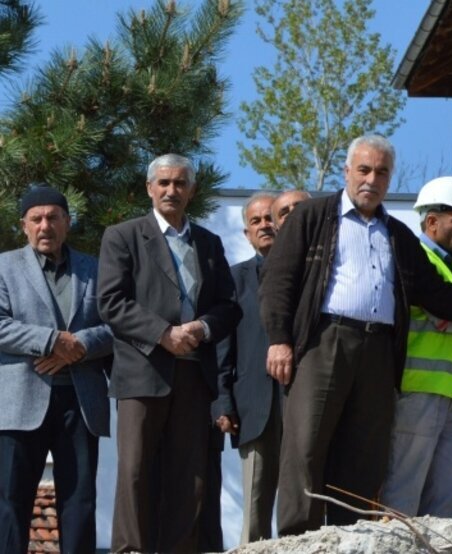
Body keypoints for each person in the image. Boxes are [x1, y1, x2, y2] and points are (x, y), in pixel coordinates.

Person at [259, 135, 452, 535]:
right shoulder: (313, 216)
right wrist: (279, 338)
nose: (372, 179)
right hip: (325, 342)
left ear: (390, 179)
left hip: (379, 351)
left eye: (381, 172)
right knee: (306, 444)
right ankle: (298, 538)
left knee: (364, 451)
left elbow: (437, 294)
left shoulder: (396, 235)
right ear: (347, 172)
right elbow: (278, 280)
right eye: (364, 170)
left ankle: (351, 536)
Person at [98, 154, 241, 552]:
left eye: (180, 183)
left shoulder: (209, 243)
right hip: (143, 373)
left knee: (190, 475)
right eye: (163, 183)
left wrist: (201, 327)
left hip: (195, 377)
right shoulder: (123, 235)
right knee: (135, 472)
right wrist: (163, 334)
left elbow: (229, 306)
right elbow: (111, 302)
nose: (171, 190)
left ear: (191, 190)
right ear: (149, 188)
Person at [0, 186, 113, 554]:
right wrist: (52, 341)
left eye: (53, 217)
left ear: (67, 222)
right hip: (18, 405)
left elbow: (117, 326)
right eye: (36, 219)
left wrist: (77, 347)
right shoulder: (3, 267)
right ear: (24, 225)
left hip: (80, 403)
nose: (45, 225)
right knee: (9, 502)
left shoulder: (95, 269)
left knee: (80, 501)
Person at [379, 177, 452, 518]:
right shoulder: (420, 260)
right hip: (421, 393)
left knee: (446, 501)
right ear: (432, 221)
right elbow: (442, 317)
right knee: (403, 495)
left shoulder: (449, 267)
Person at [214, 192, 281, 543]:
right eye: (256, 221)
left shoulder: (310, 277)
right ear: (247, 233)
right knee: (255, 506)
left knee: (300, 505)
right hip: (253, 409)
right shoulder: (234, 280)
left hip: (302, 406)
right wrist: (223, 401)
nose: (264, 225)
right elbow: (223, 347)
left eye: (270, 217)